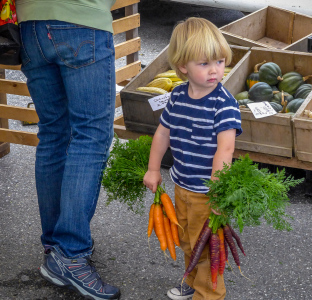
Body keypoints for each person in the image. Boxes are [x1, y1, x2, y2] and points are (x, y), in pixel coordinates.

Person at [16, 1, 120, 299]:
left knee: (53, 134)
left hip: (30, 27)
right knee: (91, 136)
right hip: (80, 22)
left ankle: (55, 246)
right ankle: (70, 253)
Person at [143, 17, 242, 300]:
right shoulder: (176, 96)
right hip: (181, 185)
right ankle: (192, 280)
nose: (215, 70)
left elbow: (226, 148)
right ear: (183, 66)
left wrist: (218, 187)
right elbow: (163, 134)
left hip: (206, 192)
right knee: (187, 239)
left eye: (220, 62)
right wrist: (153, 169)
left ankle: (209, 293)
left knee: (208, 247)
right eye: (205, 63)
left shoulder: (224, 104)